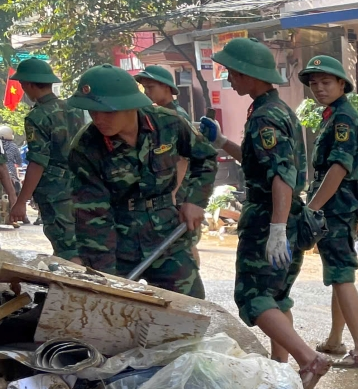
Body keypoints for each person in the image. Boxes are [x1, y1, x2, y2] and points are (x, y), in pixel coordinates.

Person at [203, 38, 330, 389]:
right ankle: (280, 370)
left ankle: (309, 360)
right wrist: (221, 142)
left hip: (269, 216)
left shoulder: (264, 117)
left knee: (253, 296)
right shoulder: (275, 109)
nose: (229, 78)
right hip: (283, 214)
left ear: (249, 74)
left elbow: (280, 176)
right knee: (276, 297)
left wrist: (276, 228)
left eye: (233, 72)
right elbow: (259, 163)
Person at [67, 65, 213, 295]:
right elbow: (93, 216)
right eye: (93, 112)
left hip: (167, 234)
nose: (98, 119)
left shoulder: (168, 124)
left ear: (130, 105)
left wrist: (195, 201)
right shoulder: (85, 147)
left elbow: (205, 158)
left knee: (190, 306)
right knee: (112, 307)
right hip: (117, 242)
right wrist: (104, 276)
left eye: (107, 112)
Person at [298, 55, 358, 369]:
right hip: (337, 205)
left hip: (335, 207)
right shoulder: (333, 115)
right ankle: (334, 340)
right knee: (338, 274)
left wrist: (312, 208)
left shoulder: (343, 118)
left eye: (326, 82)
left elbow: (339, 168)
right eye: (314, 83)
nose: (319, 88)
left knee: (341, 276)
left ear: (342, 84)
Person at [13, 57, 85, 259]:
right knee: (80, 243)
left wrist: (21, 202)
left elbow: (38, 162)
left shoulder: (37, 116)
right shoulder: (74, 109)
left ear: (28, 84)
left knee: (66, 249)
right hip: (81, 185)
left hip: (55, 192)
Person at [0, 126, 23, 225]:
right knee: (16, 189)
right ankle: (18, 216)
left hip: (5, 171)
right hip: (9, 173)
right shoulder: (13, 146)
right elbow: (19, 161)